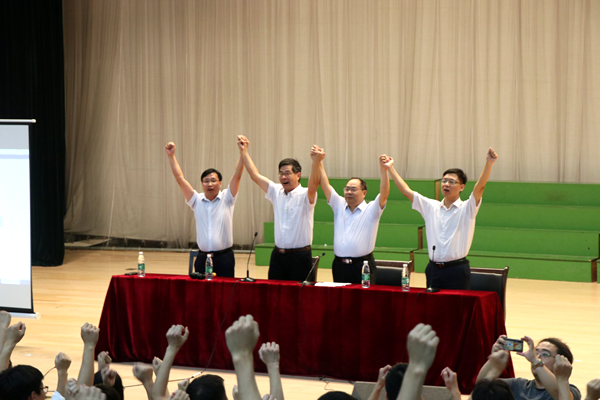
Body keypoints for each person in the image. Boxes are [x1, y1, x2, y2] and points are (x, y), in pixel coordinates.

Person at [387, 147, 499, 290]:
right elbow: (406, 191)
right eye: (444, 181)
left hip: (457, 270)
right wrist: (390, 168)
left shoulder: (467, 208)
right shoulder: (431, 206)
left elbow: (480, 187)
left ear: (462, 187)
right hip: (433, 270)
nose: (446, 184)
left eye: (451, 182)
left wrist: (489, 163)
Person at [237, 136, 320, 281]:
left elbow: (314, 185)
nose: (283, 177)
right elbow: (254, 175)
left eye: (287, 173)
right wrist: (244, 151)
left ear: (298, 175)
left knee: (299, 294)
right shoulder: (276, 191)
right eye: (281, 173)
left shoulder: (305, 194)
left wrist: (315, 162)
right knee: (274, 292)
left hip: (300, 257)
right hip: (278, 256)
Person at [312, 146, 390, 284]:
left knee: (364, 297)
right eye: (347, 189)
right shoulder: (339, 205)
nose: (349, 192)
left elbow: (384, 192)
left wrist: (384, 170)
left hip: (362, 266)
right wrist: (319, 161)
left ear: (364, 193)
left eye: (353, 189)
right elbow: (325, 185)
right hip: (339, 266)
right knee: (340, 296)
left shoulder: (371, 209)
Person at [165, 141, 244, 277]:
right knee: (201, 290)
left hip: (224, 258)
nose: (210, 184)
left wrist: (243, 152)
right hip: (202, 258)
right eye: (206, 181)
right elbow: (180, 179)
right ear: (202, 184)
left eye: (213, 180)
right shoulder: (196, 200)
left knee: (225, 289)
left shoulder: (227, 198)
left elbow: (237, 175)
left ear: (220, 183)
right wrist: (171, 156)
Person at [476, 335, 581, 400]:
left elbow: (558, 394)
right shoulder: (517, 385)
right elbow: (481, 388)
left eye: (545, 354)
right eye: (536, 353)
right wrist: (492, 359)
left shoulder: (569, 390)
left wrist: (536, 361)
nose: (537, 357)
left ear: (561, 362)